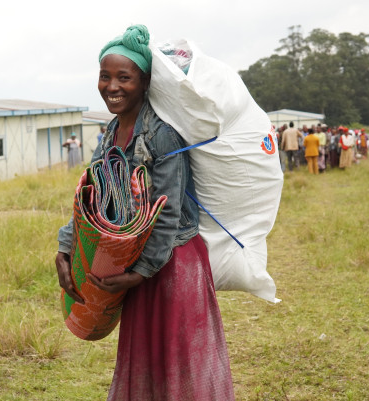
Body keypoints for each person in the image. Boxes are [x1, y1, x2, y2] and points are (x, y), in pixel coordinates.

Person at [55, 24, 235, 401]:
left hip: (172, 263)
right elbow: (90, 194)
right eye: (105, 77)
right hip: (136, 265)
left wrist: (142, 272)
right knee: (148, 364)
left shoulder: (162, 134)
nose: (112, 86)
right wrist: (67, 247)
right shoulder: (110, 132)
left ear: (145, 82)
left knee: (180, 361)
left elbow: (167, 214)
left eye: (125, 77)